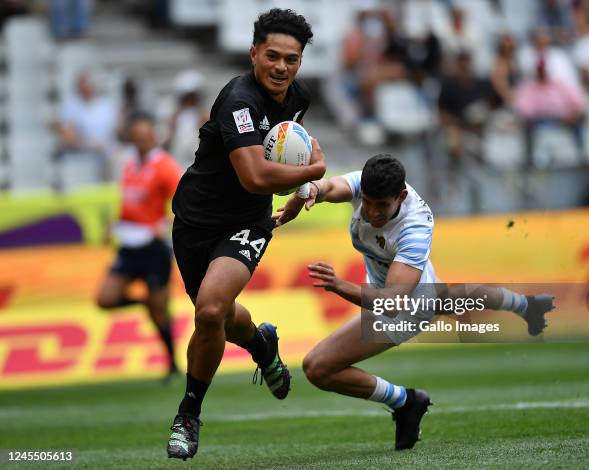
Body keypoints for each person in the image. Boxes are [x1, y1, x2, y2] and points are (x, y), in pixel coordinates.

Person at [275, 154, 554, 450]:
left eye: (381, 205)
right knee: (455, 297)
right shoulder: (370, 183)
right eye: (367, 202)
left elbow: (393, 303)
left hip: (406, 305)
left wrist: (339, 285)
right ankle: (527, 305)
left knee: (318, 367)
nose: (371, 212)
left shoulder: (415, 229)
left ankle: (405, 401)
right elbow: (329, 187)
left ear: (401, 196)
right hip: (403, 281)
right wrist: (310, 192)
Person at [166, 9, 326, 461]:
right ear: (254, 53)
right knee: (215, 315)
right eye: (272, 56)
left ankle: (188, 414)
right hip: (195, 221)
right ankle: (261, 343)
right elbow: (255, 174)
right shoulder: (238, 99)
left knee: (211, 307)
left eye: (291, 59)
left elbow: (265, 173)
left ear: (300, 62)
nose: (281, 67)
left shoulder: (299, 98)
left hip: (249, 222)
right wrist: (312, 171)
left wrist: (303, 184)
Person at [95, 112, 183, 381]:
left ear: (153, 137)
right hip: (130, 245)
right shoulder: (129, 164)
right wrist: (115, 224)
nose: (141, 142)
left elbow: (185, 202)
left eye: (145, 137)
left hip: (154, 248)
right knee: (105, 299)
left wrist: (165, 224)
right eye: (137, 138)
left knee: (160, 312)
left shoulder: (165, 166)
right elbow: (130, 204)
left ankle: (173, 366)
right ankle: (144, 301)